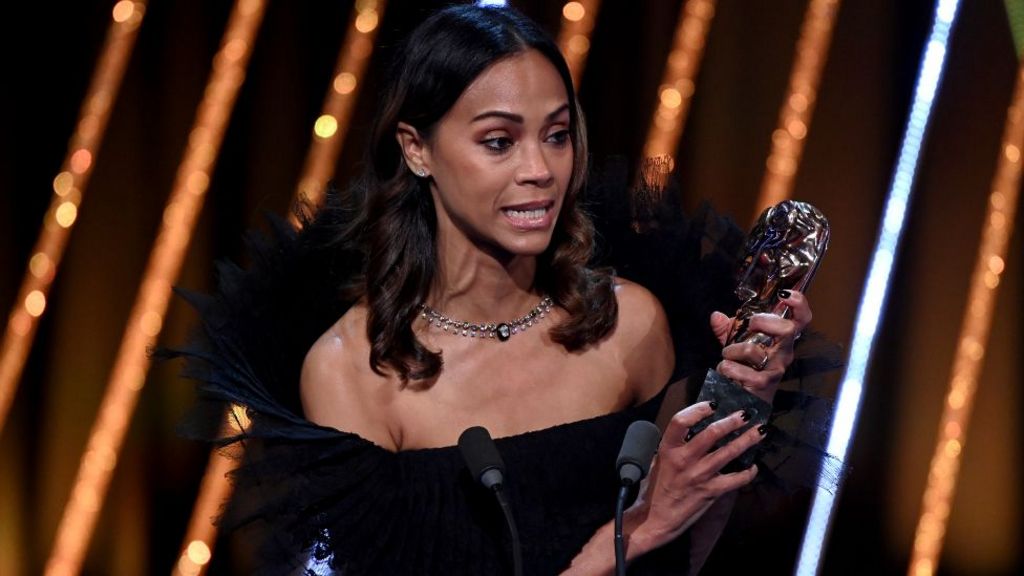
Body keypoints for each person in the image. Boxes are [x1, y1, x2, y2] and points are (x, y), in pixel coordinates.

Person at [175, 4, 815, 574]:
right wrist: (633, 533)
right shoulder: (354, 375)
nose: (539, 171)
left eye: (557, 135)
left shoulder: (631, 324)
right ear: (417, 149)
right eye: (499, 141)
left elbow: (681, 552)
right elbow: (649, 533)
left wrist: (740, 401)